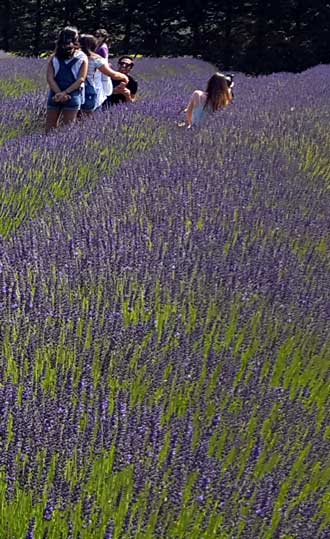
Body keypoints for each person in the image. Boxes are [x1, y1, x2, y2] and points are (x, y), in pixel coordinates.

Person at [45, 27, 88, 133]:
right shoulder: (82, 57)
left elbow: (50, 78)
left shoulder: (54, 57)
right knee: (67, 129)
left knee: (50, 127)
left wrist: (59, 93)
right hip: (72, 94)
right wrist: (65, 93)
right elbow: (81, 79)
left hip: (54, 94)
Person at [79, 34, 128, 115]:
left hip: (73, 90)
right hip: (89, 90)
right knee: (88, 119)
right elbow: (112, 74)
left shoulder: (74, 57)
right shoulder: (95, 59)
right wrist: (124, 77)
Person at [94, 29, 113, 101]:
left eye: (99, 36)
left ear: (103, 38)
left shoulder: (102, 48)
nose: (97, 38)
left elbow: (104, 59)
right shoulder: (98, 46)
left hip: (102, 69)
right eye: (96, 36)